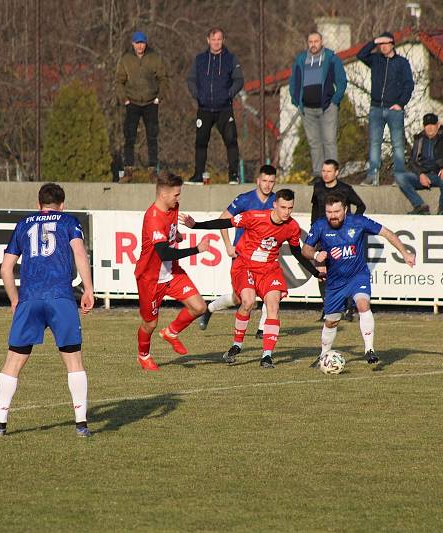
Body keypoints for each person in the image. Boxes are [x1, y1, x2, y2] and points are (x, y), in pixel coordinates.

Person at [0, 183, 95, 438]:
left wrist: (15, 300)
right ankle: (81, 424)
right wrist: (89, 289)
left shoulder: (24, 224)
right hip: (60, 297)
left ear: (38, 205)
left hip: (30, 298)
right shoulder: (69, 221)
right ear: (62, 204)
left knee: (14, 361)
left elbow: (5, 269)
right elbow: (80, 253)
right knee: (73, 360)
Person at [181, 189, 323, 369]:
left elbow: (296, 252)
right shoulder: (254, 216)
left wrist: (316, 273)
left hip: (269, 269)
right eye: (283, 207)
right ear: (274, 205)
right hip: (245, 265)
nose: (287, 211)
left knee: (273, 306)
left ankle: (267, 356)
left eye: (290, 207)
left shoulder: (292, 227)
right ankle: (237, 345)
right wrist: (196, 226)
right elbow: (225, 221)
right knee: (247, 302)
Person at [302, 192, 416, 368]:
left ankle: (369, 349)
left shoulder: (359, 222)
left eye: (337, 211)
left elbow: (387, 233)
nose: (333, 216)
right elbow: (305, 250)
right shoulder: (319, 226)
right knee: (332, 320)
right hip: (335, 282)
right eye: (329, 212)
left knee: (363, 304)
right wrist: (317, 254)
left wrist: (405, 253)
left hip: (358, 275)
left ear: (345, 209)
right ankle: (324, 355)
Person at [134, 172, 213, 371]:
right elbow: (164, 253)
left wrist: (175, 235)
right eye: (176, 195)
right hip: (151, 278)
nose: (179, 199)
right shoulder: (152, 218)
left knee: (199, 307)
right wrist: (197, 249)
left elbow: (169, 232)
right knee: (150, 324)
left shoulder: (173, 207)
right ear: (163, 195)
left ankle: (171, 332)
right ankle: (143, 356)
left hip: (172, 273)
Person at [197, 164, 277, 338]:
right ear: (258, 181)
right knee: (239, 298)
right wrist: (228, 245)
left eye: (271, 181)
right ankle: (209, 308)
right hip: (242, 256)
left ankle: (262, 329)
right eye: (264, 180)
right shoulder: (244, 200)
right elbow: (223, 220)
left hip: (265, 256)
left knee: (270, 292)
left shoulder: (277, 202)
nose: (267, 184)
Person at [186, 27, 244, 184]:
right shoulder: (200, 59)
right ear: (208, 40)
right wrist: (197, 95)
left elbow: (239, 80)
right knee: (200, 142)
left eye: (219, 39)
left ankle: (233, 176)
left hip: (224, 108)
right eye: (213, 40)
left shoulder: (231, 59)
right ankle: (198, 175)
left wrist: (228, 94)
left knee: (231, 141)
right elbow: (190, 79)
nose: (216, 42)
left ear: (223, 40)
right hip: (204, 108)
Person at [310, 159, 366, 321]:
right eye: (323, 171)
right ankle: (327, 308)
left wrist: (352, 224)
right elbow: (315, 209)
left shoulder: (345, 189)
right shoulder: (318, 187)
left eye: (329, 171)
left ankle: (349, 308)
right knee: (322, 272)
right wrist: (314, 229)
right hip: (323, 235)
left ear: (336, 172)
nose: (325, 174)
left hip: (342, 237)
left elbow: (361, 205)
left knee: (345, 271)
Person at [356, 31, 414, 186]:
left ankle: (399, 176)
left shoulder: (402, 63)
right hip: (375, 108)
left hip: (394, 109)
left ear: (392, 44)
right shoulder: (375, 60)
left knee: (397, 144)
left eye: (386, 43)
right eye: (380, 44)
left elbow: (409, 84)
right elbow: (360, 55)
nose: (382, 47)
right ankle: (373, 176)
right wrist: (373, 41)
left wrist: (401, 103)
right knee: (375, 143)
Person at [289, 31, 348, 179]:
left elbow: (341, 81)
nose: (313, 44)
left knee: (329, 141)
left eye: (316, 41)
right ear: (307, 43)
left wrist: (334, 101)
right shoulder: (301, 60)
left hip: (327, 107)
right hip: (307, 109)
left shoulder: (331, 58)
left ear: (321, 42)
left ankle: (332, 175)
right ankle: (317, 175)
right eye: (310, 42)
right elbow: (293, 82)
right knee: (314, 143)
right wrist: (297, 100)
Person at [115, 31, 168, 179]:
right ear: (133, 43)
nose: (140, 46)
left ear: (146, 43)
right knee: (129, 136)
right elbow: (119, 80)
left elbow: (163, 78)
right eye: (137, 43)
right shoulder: (126, 59)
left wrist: (159, 97)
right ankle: (128, 169)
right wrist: (124, 99)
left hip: (151, 102)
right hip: (132, 102)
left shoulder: (154, 58)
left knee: (152, 136)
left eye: (142, 43)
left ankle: (152, 169)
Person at [394, 113, 443, 215]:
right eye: (427, 125)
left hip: (440, 173)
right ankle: (420, 206)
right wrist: (420, 174)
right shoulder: (419, 139)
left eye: (432, 125)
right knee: (400, 177)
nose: (429, 128)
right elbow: (412, 161)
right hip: (424, 174)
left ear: (438, 125)